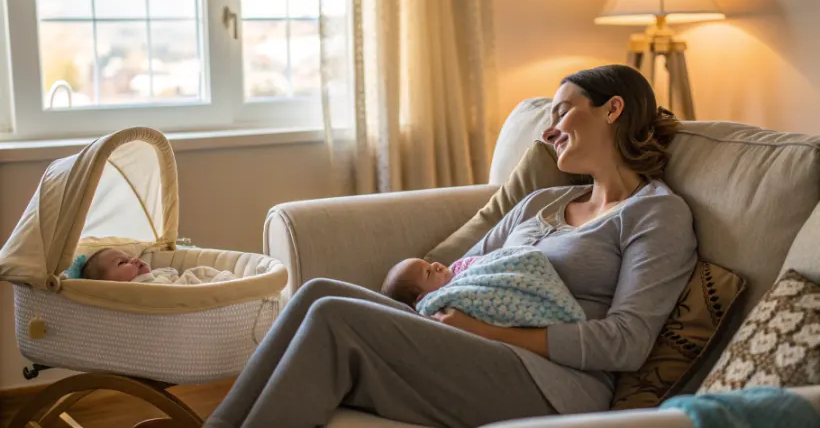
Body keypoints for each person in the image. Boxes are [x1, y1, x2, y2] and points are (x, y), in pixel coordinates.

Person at [204, 64, 698, 428]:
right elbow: (464, 272)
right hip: (471, 345)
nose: (549, 131)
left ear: (613, 109)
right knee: (317, 292)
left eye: (563, 111)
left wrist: (489, 331)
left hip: (552, 383)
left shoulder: (657, 213)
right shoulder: (541, 202)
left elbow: (627, 342)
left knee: (335, 315)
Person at [381, 247, 587, 328]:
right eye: (428, 273)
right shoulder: (439, 303)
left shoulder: (460, 268)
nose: (435, 265)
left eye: (429, 264)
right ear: (422, 298)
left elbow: (490, 265)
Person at [65, 248, 236, 284]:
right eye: (122, 263)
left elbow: (171, 274)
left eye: (129, 257)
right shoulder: (129, 293)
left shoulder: (153, 274)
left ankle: (222, 281)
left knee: (199, 273)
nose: (133, 260)